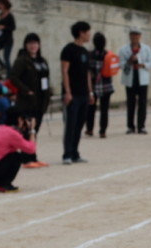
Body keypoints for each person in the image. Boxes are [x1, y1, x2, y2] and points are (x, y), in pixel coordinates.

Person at [10, 32, 51, 167]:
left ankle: (33, 156)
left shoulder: (42, 61)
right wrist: (26, 90)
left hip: (40, 101)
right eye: (30, 43)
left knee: (35, 130)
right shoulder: (22, 60)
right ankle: (26, 158)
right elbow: (14, 77)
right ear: (26, 45)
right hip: (27, 102)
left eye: (35, 43)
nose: (33, 46)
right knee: (28, 130)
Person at [60, 21, 93, 165]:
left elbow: (87, 73)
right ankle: (67, 153)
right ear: (81, 32)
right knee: (71, 124)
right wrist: (67, 92)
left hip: (84, 93)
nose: (89, 35)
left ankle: (75, 152)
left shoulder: (85, 51)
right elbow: (64, 71)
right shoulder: (68, 49)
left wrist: (90, 92)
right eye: (87, 32)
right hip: (72, 94)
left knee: (80, 124)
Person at [119, 28, 151, 135]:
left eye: (136, 35)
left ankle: (141, 126)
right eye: (132, 35)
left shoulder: (146, 49)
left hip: (142, 78)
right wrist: (129, 61)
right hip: (130, 79)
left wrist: (142, 64)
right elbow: (120, 64)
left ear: (139, 36)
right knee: (130, 103)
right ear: (129, 36)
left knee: (142, 103)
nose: (134, 37)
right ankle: (130, 126)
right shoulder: (123, 49)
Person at [86, 32, 114, 139]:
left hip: (93, 86)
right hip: (107, 85)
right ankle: (103, 131)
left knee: (91, 108)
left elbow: (89, 71)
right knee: (104, 109)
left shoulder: (90, 55)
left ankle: (90, 129)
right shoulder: (108, 55)